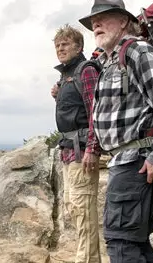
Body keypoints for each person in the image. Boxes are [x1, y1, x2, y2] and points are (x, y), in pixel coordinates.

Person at [78, 0, 153, 262]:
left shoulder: (137, 51)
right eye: (93, 22)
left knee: (121, 242)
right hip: (127, 161)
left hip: (137, 161)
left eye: (103, 18)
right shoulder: (111, 60)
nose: (96, 25)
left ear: (125, 21)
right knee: (136, 243)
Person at [51, 24, 102, 263]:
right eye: (57, 45)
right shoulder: (67, 75)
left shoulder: (86, 70)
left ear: (79, 46)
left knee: (83, 211)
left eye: (65, 44)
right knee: (74, 206)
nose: (60, 48)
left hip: (82, 150)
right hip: (69, 150)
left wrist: (93, 148)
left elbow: (95, 112)